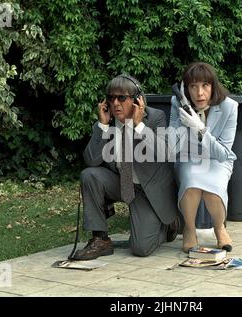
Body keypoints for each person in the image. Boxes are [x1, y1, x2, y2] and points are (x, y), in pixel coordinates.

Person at [74, 74, 180, 260]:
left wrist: (139, 126)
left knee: (141, 248)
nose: (115, 103)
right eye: (111, 98)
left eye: (121, 98)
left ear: (137, 100)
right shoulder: (106, 122)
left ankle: (167, 225)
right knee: (89, 175)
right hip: (121, 183)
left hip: (146, 190)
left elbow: (164, 153)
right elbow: (91, 160)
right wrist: (102, 126)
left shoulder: (155, 117)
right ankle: (100, 239)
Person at [169, 62, 238, 253]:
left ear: (213, 86)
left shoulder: (229, 107)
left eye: (205, 86)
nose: (200, 93)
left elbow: (223, 153)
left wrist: (199, 129)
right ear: (185, 89)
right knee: (191, 184)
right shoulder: (177, 103)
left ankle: (219, 228)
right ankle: (189, 230)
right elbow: (171, 148)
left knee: (212, 190)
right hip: (188, 157)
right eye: (193, 86)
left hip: (217, 160)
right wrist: (185, 119)